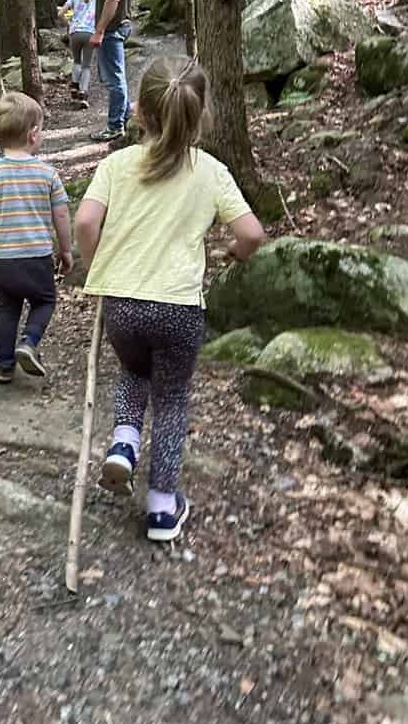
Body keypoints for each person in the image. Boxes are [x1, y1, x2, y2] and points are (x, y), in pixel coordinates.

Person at [74, 58, 266, 541]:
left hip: (124, 303)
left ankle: (123, 442)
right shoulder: (211, 172)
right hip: (179, 309)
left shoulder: (116, 166)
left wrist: (103, 265)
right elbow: (252, 234)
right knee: (173, 399)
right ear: (198, 117)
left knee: (134, 371)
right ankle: (161, 507)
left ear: (139, 112)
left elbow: (83, 224)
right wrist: (233, 252)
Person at [0, 92, 73, 382]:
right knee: (45, 301)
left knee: (7, 309)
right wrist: (66, 250)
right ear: (33, 135)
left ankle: (5, 365)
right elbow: (61, 215)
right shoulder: (48, 174)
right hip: (36, 257)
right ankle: (29, 342)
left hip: (3, 259)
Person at [89, 0, 134, 142]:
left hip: (113, 29)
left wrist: (100, 30)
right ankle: (128, 119)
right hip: (116, 27)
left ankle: (116, 126)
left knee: (115, 79)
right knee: (116, 77)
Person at [58, 0, 97, 110]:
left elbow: (61, 13)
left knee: (77, 61)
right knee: (86, 65)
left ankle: (74, 84)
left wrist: (69, 24)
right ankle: (83, 94)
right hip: (90, 34)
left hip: (75, 33)